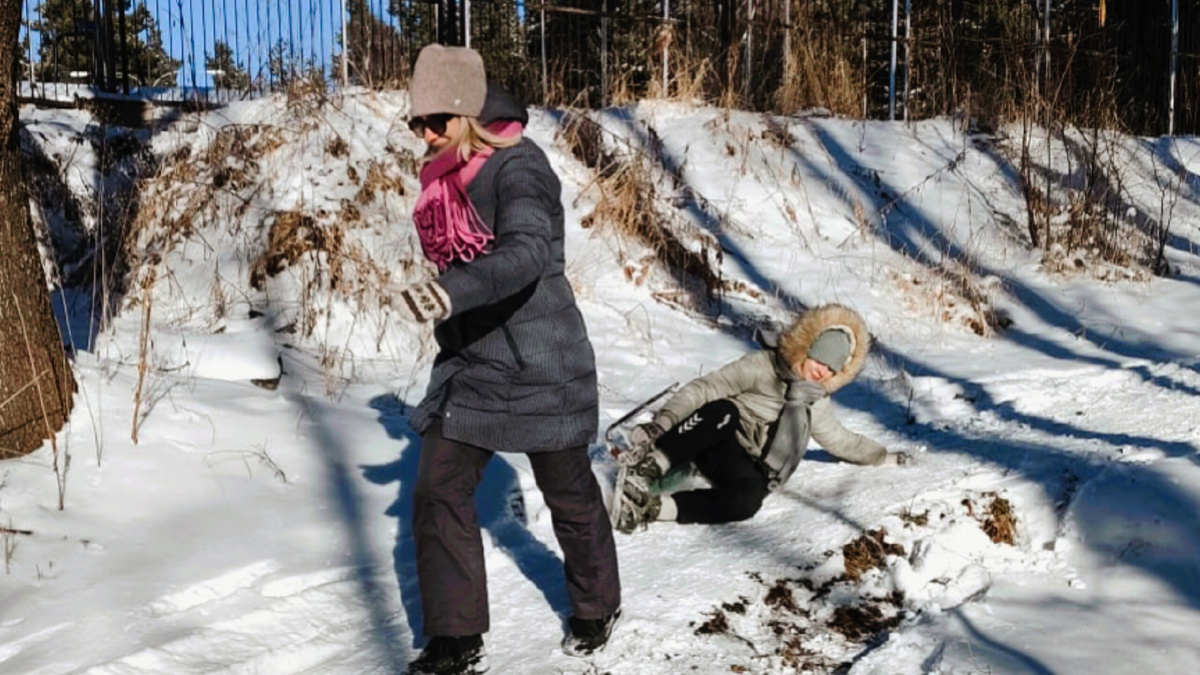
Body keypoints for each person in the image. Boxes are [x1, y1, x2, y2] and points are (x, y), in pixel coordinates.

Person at [392, 45, 620, 675]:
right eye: (417, 123)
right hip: (475, 364)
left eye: (435, 120)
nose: (425, 134)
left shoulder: (520, 168)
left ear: (465, 112)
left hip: (540, 361)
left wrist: (450, 291)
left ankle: (597, 605)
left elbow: (523, 254)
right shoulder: (445, 178)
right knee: (436, 488)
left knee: (568, 490)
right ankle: (454, 637)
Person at [615, 303, 905, 533]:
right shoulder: (763, 367)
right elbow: (705, 389)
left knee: (748, 501)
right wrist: (663, 423)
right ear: (806, 348)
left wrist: (883, 457)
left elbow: (840, 439)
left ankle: (651, 509)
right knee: (723, 412)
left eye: (832, 368)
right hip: (711, 435)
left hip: (741, 461)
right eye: (820, 358)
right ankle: (648, 467)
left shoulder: (814, 400)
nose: (822, 371)